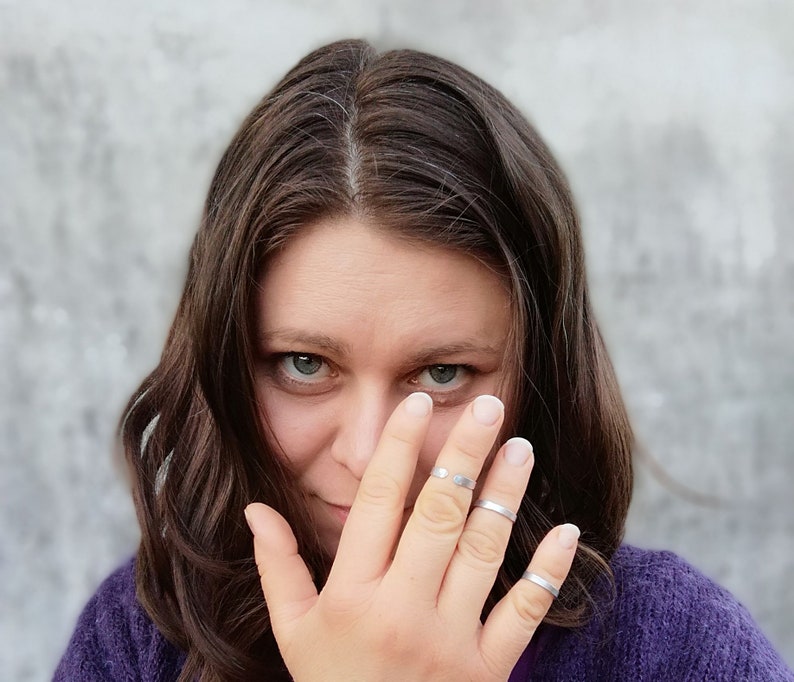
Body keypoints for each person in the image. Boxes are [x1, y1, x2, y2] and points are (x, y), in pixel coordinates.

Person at [54, 39, 792, 681]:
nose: (374, 457)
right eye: (305, 364)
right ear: (224, 362)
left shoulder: (676, 647)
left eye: (443, 375)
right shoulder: (140, 642)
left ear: (540, 377)